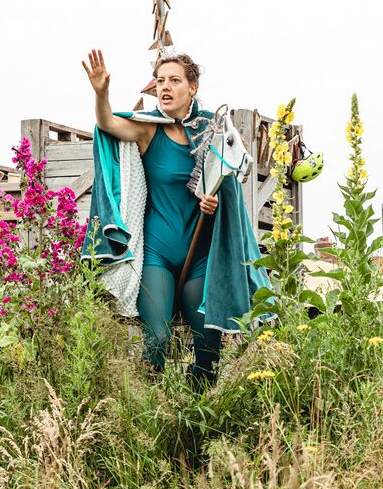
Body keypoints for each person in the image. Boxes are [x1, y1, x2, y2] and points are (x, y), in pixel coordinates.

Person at [80, 49, 269, 388]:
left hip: (200, 258)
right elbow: (107, 123)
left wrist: (215, 200)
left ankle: (196, 406)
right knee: (157, 340)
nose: (165, 87)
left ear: (192, 88)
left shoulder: (213, 130)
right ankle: (150, 404)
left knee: (209, 351)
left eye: (174, 81)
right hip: (158, 254)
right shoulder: (149, 130)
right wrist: (101, 93)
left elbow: (232, 177)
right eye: (160, 81)